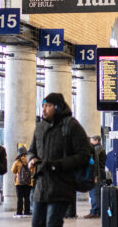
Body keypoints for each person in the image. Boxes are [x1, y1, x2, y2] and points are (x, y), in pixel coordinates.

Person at [27, 93, 90, 227]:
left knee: (53, 223)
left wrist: (57, 165)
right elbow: (31, 150)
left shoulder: (71, 126)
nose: (43, 109)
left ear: (58, 107)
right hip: (41, 186)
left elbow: (84, 155)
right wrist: (31, 158)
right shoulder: (40, 127)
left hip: (62, 186)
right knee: (36, 223)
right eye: (43, 106)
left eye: (48, 106)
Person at [84, 135, 107, 218]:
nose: (90, 142)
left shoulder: (97, 149)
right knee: (94, 193)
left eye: (92, 140)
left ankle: (95, 212)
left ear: (97, 141)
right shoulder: (98, 149)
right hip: (98, 174)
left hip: (97, 175)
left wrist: (95, 176)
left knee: (95, 194)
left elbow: (95, 163)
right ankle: (96, 211)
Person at [11, 146, 34, 218]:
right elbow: (33, 171)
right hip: (28, 182)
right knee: (27, 197)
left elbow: (13, 171)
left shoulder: (17, 162)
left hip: (19, 183)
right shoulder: (30, 161)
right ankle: (27, 212)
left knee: (20, 198)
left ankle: (19, 212)